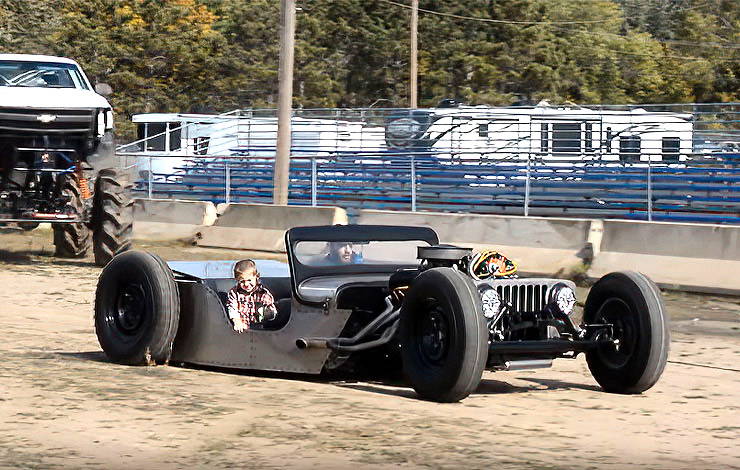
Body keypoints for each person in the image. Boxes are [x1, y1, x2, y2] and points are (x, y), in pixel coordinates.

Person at [226, 259, 277, 333]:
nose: (246, 284)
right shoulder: (234, 293)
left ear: (257, 276)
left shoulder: (263, 293)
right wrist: (237, 321)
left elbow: (272, 311)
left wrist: (268, 313)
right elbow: (232, 308)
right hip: (242, 328)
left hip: (259, 328)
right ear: (237, 280)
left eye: (249, 280)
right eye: (242, 281)